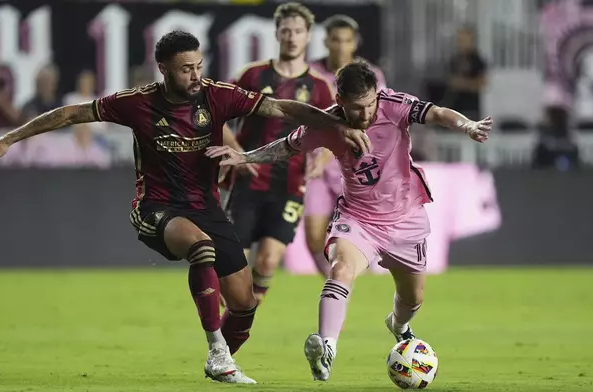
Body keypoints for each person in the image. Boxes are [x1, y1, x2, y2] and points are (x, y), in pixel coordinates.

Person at [0, 31, 369, 384]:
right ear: (162, 69)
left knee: (245, 305)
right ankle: (217, 352)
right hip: (155, 207)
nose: (195, 76)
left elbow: (282, 108)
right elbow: (71, 113)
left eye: (198, 66)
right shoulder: (136, 103)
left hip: (207, 209)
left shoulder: (217, 95)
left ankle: (221, 361)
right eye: (185, 69)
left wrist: (337, 124)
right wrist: (9, 138)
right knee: (201, 248)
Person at [204, 60, 492, 381]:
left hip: (405, 218)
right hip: (358, 219)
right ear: (340, 101)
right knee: (340, 269)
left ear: (377, 96)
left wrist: (467, 126)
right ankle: (326, 347)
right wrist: (244, 156)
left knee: (413, 298)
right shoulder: (327, 124)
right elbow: (285, 148)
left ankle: (398, 325)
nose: (365, 114)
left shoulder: (394, 106)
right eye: (356, 108)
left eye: (370, 105)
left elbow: (437, 113)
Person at [224, 2, 335, 301]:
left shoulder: (320, 88)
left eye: (298, 31)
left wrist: (321, 160)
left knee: (269, 260)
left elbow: (333, 134)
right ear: (276, 33)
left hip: (290, 184)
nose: (291, 37)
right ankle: (232, 315)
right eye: (285, 30)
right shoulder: (251, 76)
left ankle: (242, 319)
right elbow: (215, 115)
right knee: (234, 261)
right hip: (249, 178)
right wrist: (237, 154)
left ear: (308, 35)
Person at [305, 14, 387, 276]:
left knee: (359, 230)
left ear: (355, 43)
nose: (341, 46)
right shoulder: (309, 73)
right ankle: (335, 284)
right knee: (314, 238)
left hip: (356, 165)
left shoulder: (370, 75)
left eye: (347, 40)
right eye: (336, 40)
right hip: (316, 167)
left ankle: (348, 277)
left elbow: (374, 120)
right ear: (326, 41)